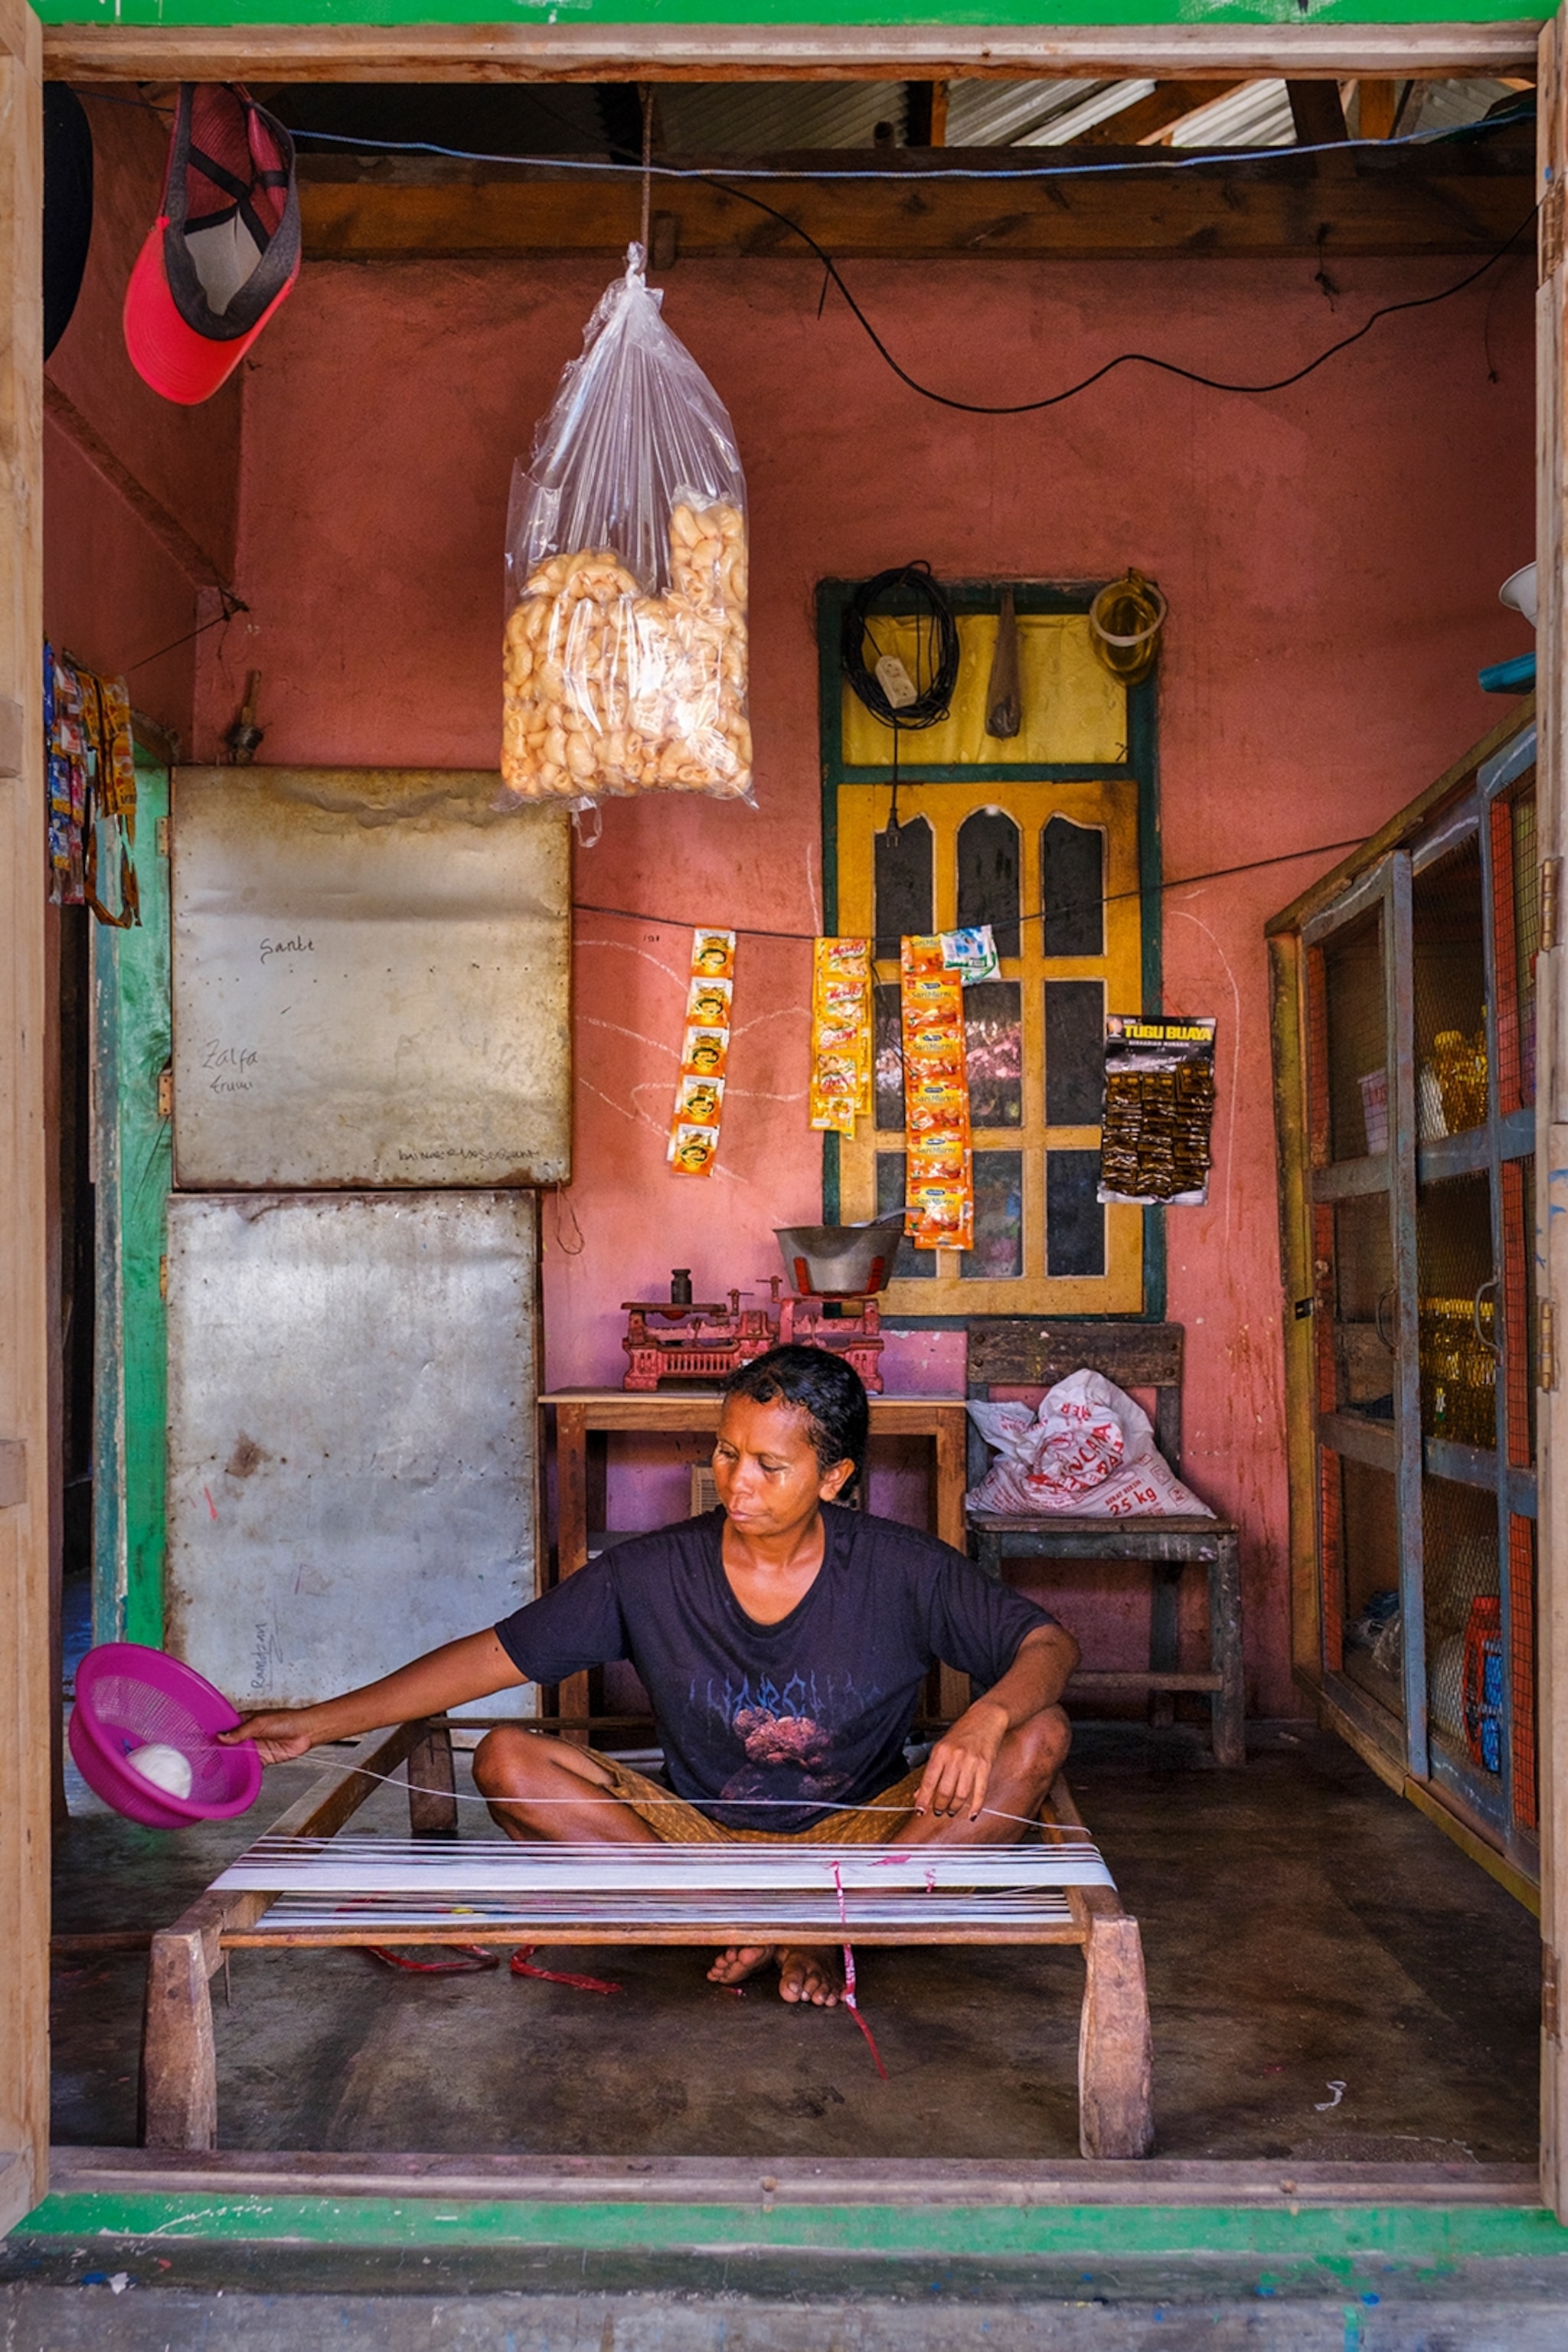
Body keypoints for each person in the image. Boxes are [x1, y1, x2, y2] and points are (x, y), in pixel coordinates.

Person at [226, 1344, 1079, 2010]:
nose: (735, 1482)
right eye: (726, 1451)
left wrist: (985, 1719)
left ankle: (820, 1923)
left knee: (1040, 1733)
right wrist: (319, 1723)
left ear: (835, 1477)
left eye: (769, 1467)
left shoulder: (903, 1570)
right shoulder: (650, 1572)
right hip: (691, 1843)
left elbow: (1048, 1646)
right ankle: (754, 1922)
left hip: (863, 1842)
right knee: (505, 1756)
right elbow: (491, 1657)